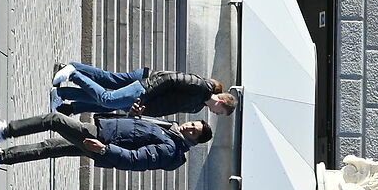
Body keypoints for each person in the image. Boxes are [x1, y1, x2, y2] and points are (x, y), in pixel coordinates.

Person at [0, 110, 213, 172]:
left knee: (54, 120)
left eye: (193, 131)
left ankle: (5, 131)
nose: (189, 127)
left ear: (194, 141)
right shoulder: (171, 130)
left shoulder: (170, 149)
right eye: (193, 124)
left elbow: (135, 160)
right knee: (50, 148)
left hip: (101, 141)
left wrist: (104, 150)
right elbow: (136, 131)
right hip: (104, 136)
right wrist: (132, 114)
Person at [51, 62, 239, 119]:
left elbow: (169, 106)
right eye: (220, 112)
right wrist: (146, 93)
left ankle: (63, 92)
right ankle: (73, 72)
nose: (217, 114)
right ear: (222, 102)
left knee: (106, 101)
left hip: (145, 101)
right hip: (145, 89)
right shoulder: (201, 86)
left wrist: (146, 111)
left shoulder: (197, 106)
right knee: (107, 98)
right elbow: (170, 79)